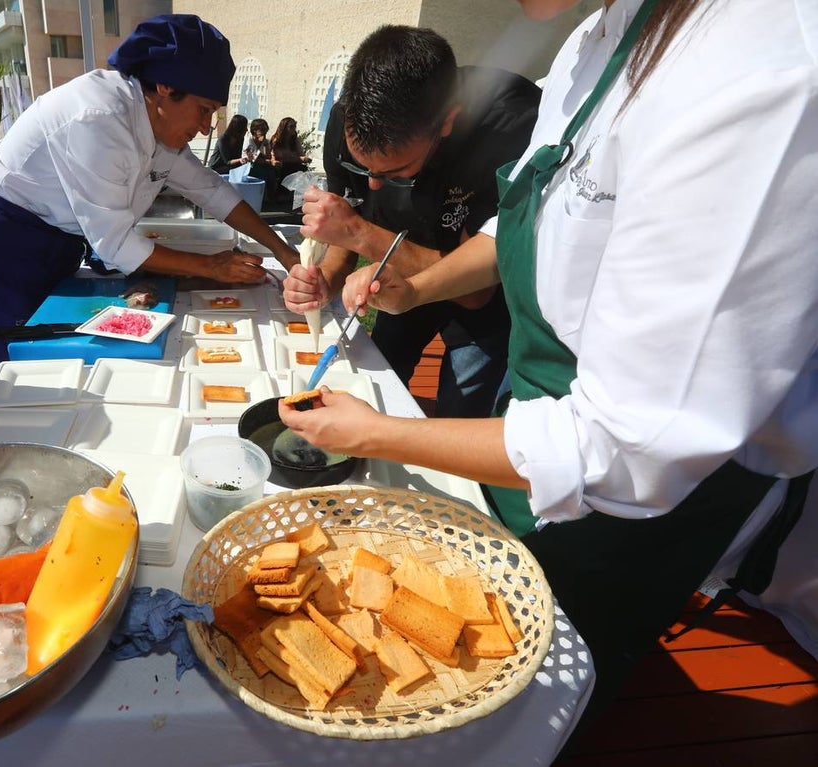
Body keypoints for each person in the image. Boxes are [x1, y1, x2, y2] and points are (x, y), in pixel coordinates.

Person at [281, 0, 818, 736]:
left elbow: (630, 445)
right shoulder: (587, 43)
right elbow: (525, 223)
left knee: (534, 699)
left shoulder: (761, 68)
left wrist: (381, 433)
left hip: (643, 496)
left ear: (447, 124)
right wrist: (413, 285)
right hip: (539, 417)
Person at [0, 14, 299, 425]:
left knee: (49, 376)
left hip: (52, 246)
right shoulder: (98, 117)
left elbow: (210, 189)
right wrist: (212, 267)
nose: (203, 129)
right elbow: (115, 244)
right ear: (165, 87)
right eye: (202, 110)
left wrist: (283, 251)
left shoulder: (154, 121)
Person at [282, 25, 540, 416]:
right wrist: (326, 282)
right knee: (379, 386)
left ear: (447, 122)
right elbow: (346, 235)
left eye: (394, 172)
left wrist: (358, 231)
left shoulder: (509, 126)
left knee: (459, 416)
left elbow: (476, 289)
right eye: (360, 165)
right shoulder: (349, 120)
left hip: (484, 303)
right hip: (396, 282)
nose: (372, 183)